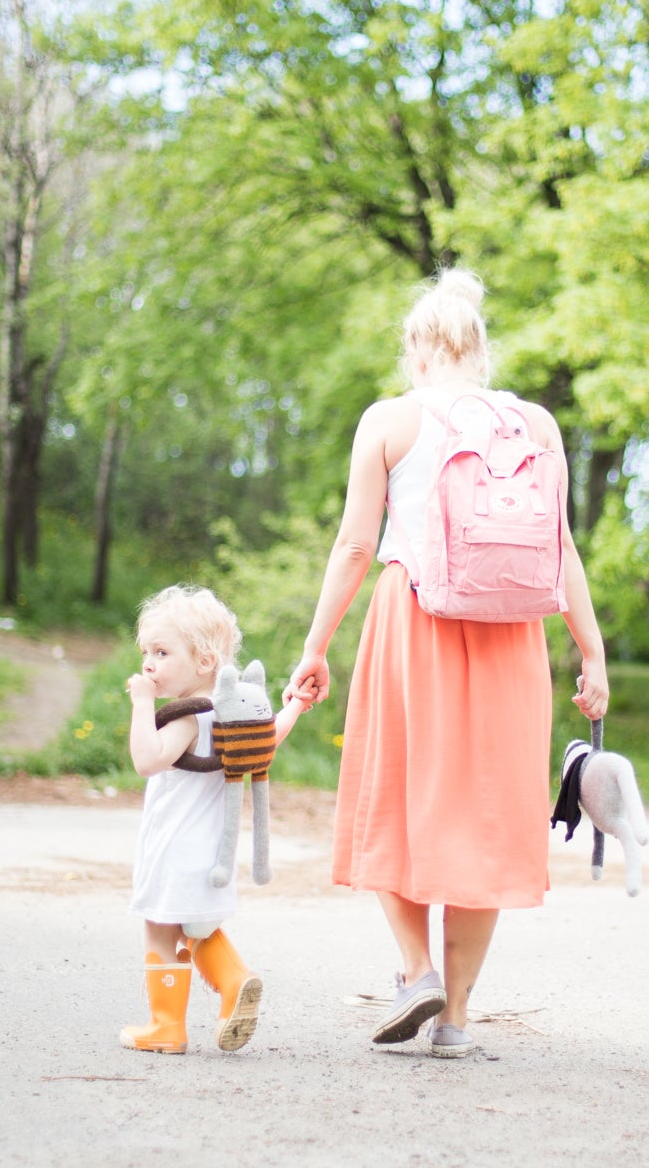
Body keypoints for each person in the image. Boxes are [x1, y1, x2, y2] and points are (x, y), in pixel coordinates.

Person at [285, 269, 609, 1058]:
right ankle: (456, 1019)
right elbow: (560, 548)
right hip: (511, 639)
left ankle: (416, 969)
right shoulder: (535, 424)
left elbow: (357, 544)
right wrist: (592, 654)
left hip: (414, 621)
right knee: (490, 816)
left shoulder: (390, 421)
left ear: (418, 351)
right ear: (480, 349)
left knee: (394, 798)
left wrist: (316, 645)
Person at [120, 583, 304, 1055]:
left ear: (204, 663)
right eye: (146, 652)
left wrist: (143, 704)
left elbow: (147, 760)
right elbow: (270, 738)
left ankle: (166, 1027)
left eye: (162, 652)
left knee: (161, 931)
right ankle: (234, 980)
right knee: (198, 928)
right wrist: (296, 705)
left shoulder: (186, 718)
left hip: (173, 852)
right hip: (213, 855)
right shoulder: (233, 717)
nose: (148, 664)